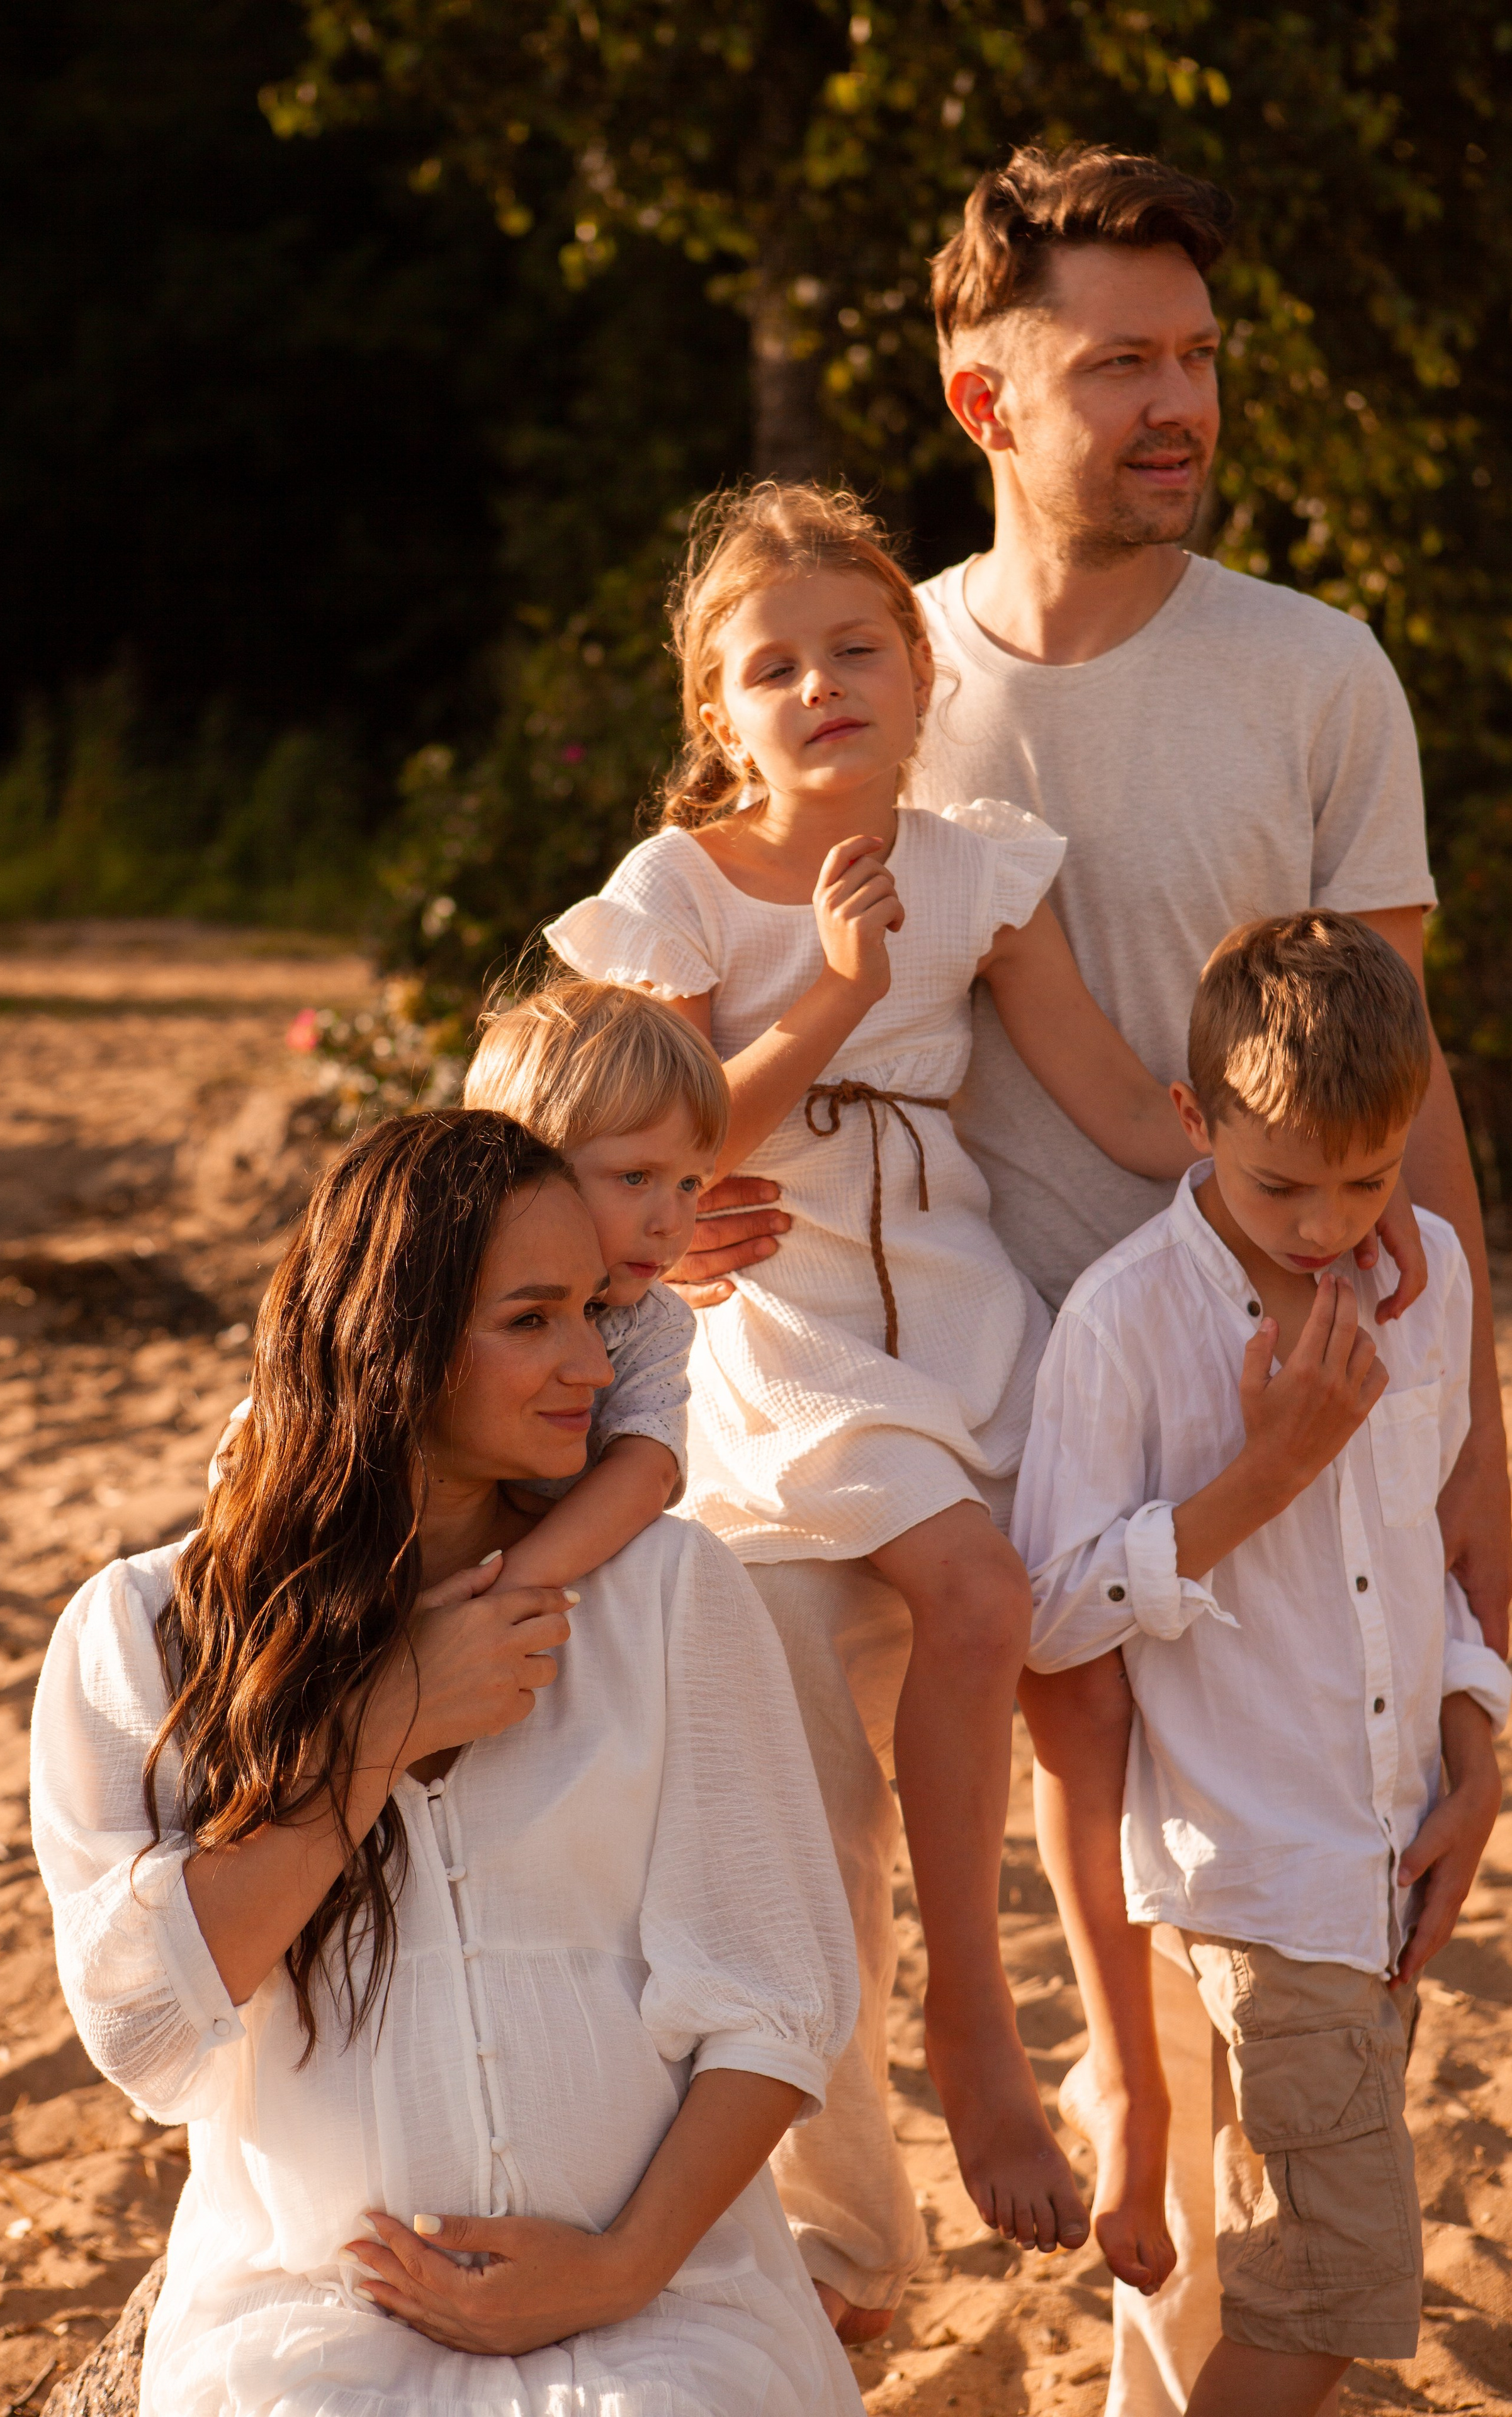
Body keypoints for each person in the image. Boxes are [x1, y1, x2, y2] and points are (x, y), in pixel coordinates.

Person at [670, 140, 1503, 2294]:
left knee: (1212, 1900)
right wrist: (644, 1212)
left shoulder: (1319, 673)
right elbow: (702, 958)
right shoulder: (860, 658)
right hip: (886, 1376)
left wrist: (1474, 1455)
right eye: (1122, 359)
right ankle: (839, 2286)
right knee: (788, 1850)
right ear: (984, 397)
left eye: (1201, 358)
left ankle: (1164, 2315)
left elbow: (1389, 1085)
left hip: (1211, 1390)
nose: (1181, 405)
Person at [544, 478, 1201, 2334]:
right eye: (771, 666)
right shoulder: (680, 891)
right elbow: (666, 1142)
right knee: (953, 1627)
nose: (819, 686)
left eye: (857, 650)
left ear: (919, 675)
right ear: (717, 712)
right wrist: (833, 987)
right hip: (791, 1330)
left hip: (966, 1322)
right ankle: (966, 2030)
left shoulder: (984, 862)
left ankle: (1067, 2073)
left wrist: (1303, 1184)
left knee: (1035, 1645)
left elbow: (1116, 1102)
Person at [30, 1108, 865, 2417]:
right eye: (529, 1318)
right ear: (391, 1346)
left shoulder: (665, 1596)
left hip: (667, 2306)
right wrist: (378, 1727)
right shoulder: (145, 1634)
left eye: (593, 1310)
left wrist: (612, 2272)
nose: (592, 1360)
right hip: (305, 2319)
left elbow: (770, 2005)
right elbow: (143, 2022)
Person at [1017, 911, 1509, 2417]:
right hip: (1252, 1874)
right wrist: (1264, 1468)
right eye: (1277, 1180)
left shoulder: (1420, 1270)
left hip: (1392, 1855)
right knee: (1332, 2283)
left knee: (1284, 2257)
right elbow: (1047, 1616)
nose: (1322, 1222)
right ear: (1192, 1122)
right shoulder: (1124, 1318)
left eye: (1362, 1177)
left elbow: (1422, 1556)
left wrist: (1476, 1744)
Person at [461, 977, 724, 1590]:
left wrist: (510, 1586)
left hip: (543, 1568)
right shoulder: (449, 1273)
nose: (671, 1222)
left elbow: (646, 1469)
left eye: (691, 1184)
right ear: (533, 1161)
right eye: (636, 1177)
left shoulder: (653, 1323)